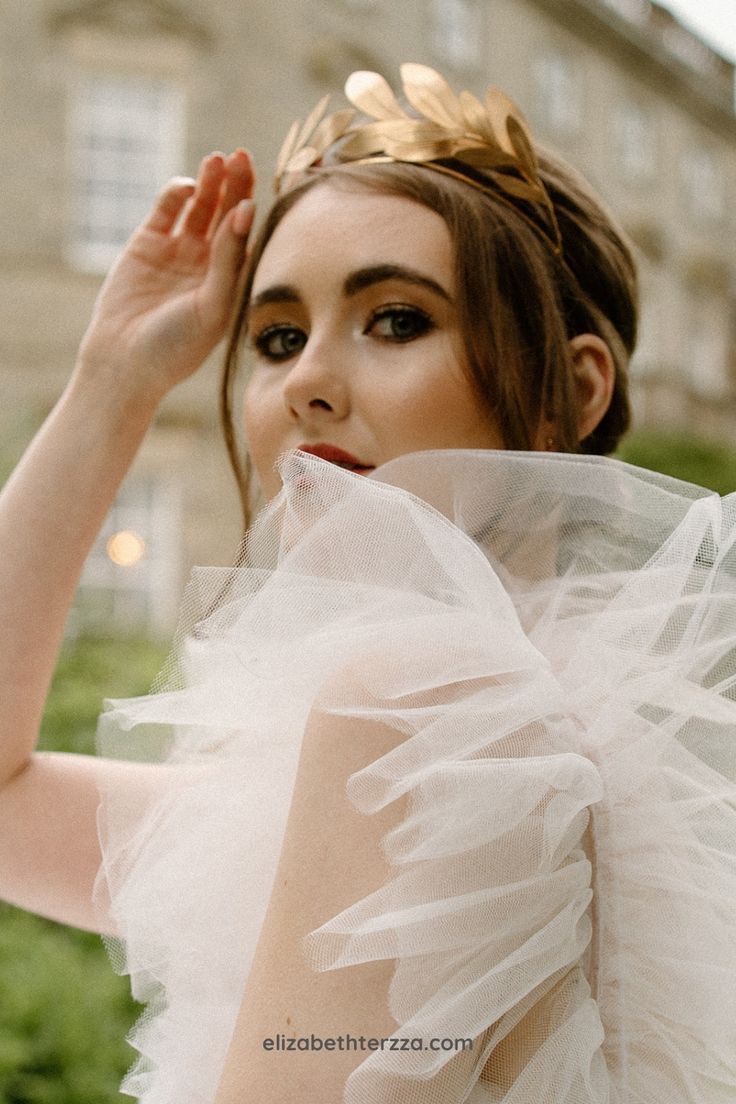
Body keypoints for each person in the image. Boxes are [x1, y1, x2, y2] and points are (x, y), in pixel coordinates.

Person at [1, 62, 735, 1104]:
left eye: (396, 319)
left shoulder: (420, 706)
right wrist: (115, 374)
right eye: (276, 337)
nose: (305, 381)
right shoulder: (493, 728)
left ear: (567, 394)